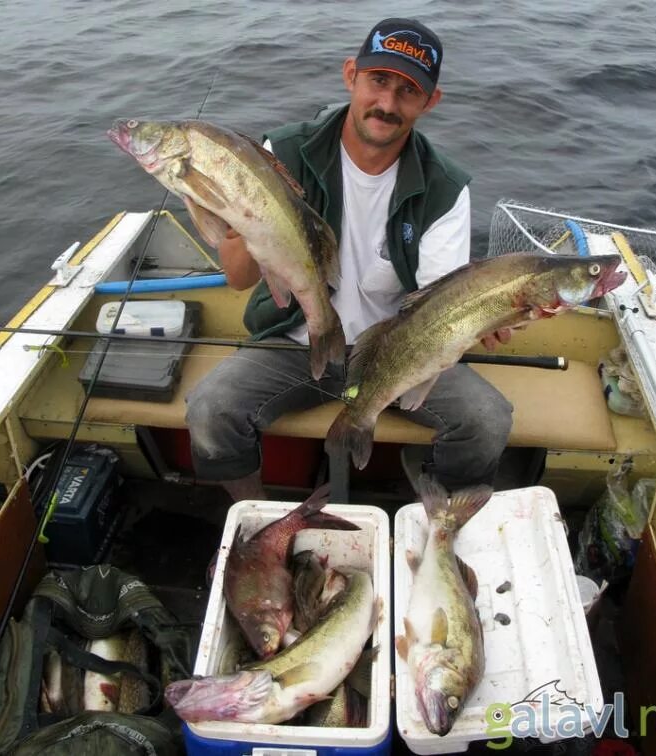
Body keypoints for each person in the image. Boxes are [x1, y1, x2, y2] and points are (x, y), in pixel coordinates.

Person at [185, 17, 513, 502]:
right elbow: (239, 277)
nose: (387, 104)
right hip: (295, 341)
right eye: (378, 81)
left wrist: (484, 317)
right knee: (210, 410)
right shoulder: (284, 153)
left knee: (486, 420)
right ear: (351, 75)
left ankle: (440, 529)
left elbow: (441, 304)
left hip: (397, 351)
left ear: (430, 102)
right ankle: (258, 521)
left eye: (408, 91)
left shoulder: (445, 189)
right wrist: (235, 222)